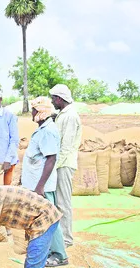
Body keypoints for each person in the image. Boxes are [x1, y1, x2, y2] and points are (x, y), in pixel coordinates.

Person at [22, 97, 68, 267]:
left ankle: (59, 255)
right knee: (42, 219)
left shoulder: (48, 131)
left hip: (42, 186)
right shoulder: (43, 129)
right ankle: (47, 250)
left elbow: (51, 159)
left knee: (50, 219)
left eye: (34, 109)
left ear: (41, 112)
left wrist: (40, 185)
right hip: (36, 184)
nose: (32, 113)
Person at [50, 84, 82, 248]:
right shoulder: (62, 114)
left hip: (64, 164)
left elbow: (66, 146)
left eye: (53, 98)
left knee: (63, 202)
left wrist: (54, 166)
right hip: (59, 164)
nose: (52, 101)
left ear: (59, 99)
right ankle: (60, 235)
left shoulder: (70, 116)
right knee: (58, 201)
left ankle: (67, 238)